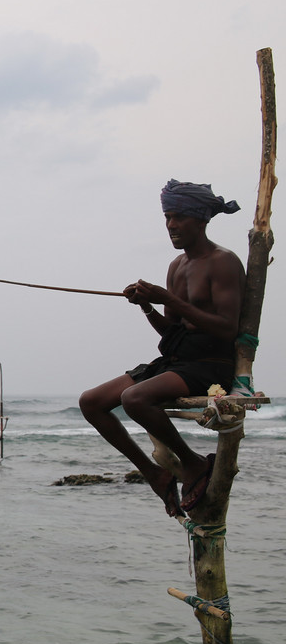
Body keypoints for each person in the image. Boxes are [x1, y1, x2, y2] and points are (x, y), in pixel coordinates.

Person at [79, 180, 245, 517]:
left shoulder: (223, 261)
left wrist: (167, 299)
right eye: (168, 217)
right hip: (177, 359)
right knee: (91, 402)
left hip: (210, 363)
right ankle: (153, 472)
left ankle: (193, 463)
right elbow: (172, 332)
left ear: (201, 219)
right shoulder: (177, 267)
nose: (171, 225)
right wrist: (146, 306)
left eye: (179, 217)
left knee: (134, 398)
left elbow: (228, 328)